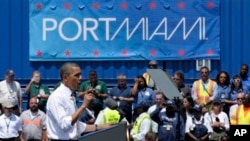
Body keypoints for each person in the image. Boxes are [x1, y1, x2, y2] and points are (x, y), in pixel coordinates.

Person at [46, 62, 112, 140]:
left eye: (80, 75)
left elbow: (76, 127)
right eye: (77, 75)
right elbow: (64, 124)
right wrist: (83, 106)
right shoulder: (57, 97)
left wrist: (100, 126)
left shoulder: (70, 96)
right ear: (65, 78)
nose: (81, 78)